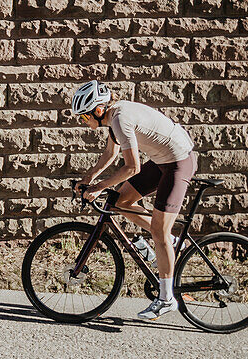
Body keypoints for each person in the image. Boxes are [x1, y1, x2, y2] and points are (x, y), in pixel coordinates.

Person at [71, 79, 197, 320]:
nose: (83, 121)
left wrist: (98, 187)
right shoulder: (113, 118)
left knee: (158, 233)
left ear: (98, 110)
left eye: (84, 116)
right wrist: (88, 178)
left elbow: (132, 168)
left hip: (179, 163)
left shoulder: (119, 119)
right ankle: (169, 241)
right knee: (119, 201)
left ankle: (166, 298)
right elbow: (111, 153)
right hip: (162, 160)